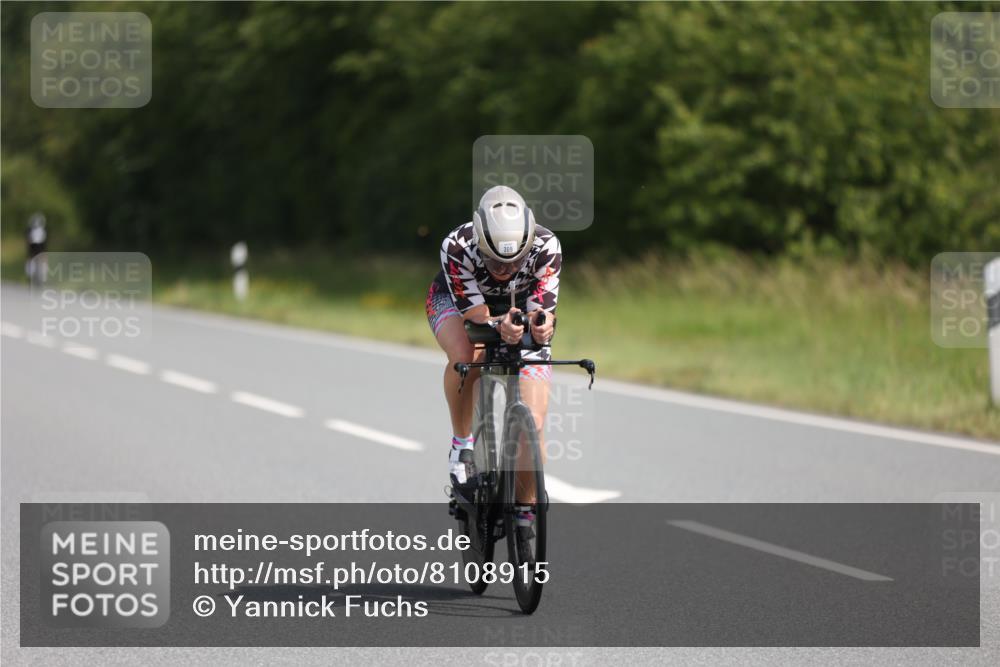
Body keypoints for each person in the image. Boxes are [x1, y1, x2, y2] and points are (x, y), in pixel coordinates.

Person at [425, 185, 561, 534]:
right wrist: (497, 325)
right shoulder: (457, 246)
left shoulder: (547, 246)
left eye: (515, 260)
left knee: (534, 421)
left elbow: (542, 311)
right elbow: (475, 316)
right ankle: (462, 446)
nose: (505, 268)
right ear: (479, 242)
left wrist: (541, 326)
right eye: (495, 259)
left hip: (518, 308)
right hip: (461, 306)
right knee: (468, 355)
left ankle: (525, 510)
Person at [25, 213, 48, 285]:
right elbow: (29, 243)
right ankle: (32, 278)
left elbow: (44, 244)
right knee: (31, 265)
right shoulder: (30, 231)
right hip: (34, 250)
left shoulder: (43, 231)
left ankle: (42, 279)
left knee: (42, 265)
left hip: (39, 250)